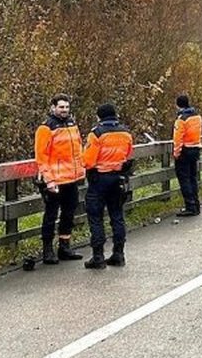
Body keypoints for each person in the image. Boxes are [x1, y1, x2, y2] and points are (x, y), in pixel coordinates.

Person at [33, 94, 85, 265]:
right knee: (50, 215)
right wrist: (49, 180)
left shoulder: (72, 125)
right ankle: (47, 250)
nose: (64, 110)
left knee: (69, 213)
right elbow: (41, 157)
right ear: (53, 107)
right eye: (61, 107)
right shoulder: (46, 128)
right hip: (54, 180)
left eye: (67, 107)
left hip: (71, 178)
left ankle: (64, 247)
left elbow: (78, 150)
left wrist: (81, 172)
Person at [82, 103, 134, 269]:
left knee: (96, 217)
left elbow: (88, 161)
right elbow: (128, 155)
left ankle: (98, 256)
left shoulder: (96, 134)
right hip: (118, 178)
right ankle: (119, 253)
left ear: (99, 117)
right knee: (117, 216)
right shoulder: (125, 133)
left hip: (99, 179)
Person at [172, 94, 202, 217]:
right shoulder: (197, 117)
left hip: (185, 151)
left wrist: (176, 153)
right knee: (193, 178)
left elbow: (177, 138)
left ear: (178, 105)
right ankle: (196, 204)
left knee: (184, 179)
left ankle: (190, 206)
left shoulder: (181, 120)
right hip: (195, 148)